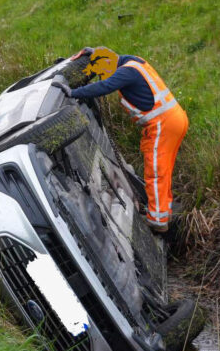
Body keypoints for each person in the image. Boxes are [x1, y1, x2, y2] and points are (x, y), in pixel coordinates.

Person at [59, 47, 188, 233]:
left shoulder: (126, 72)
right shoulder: (132, 61)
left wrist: (73, 93)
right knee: (163, 169)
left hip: (163, 123)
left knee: (155, 171)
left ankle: (158, 221)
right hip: (174, 119)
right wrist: (93, 52)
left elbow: (104, 86)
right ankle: (163, 210)